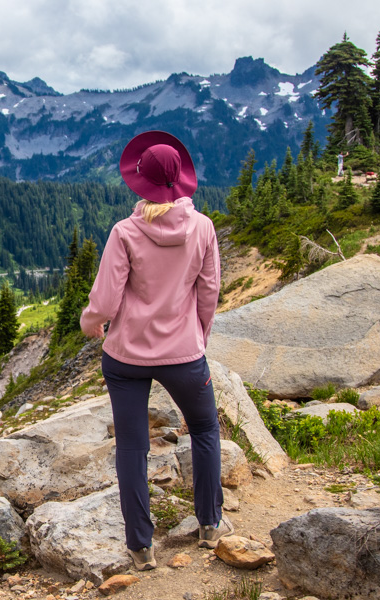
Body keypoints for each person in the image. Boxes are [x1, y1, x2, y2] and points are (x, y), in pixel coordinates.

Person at [79, 131, 231, 571]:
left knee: (132, 446)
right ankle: (210, 524)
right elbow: (209, 291)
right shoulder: (202, 227)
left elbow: (105, 302)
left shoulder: (125, 231)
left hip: (126, 356)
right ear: (181, 179)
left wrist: (91, 323)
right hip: (185, 353)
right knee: (204, 430)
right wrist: (197, 335)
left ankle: (141, 547)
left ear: (139, 181)